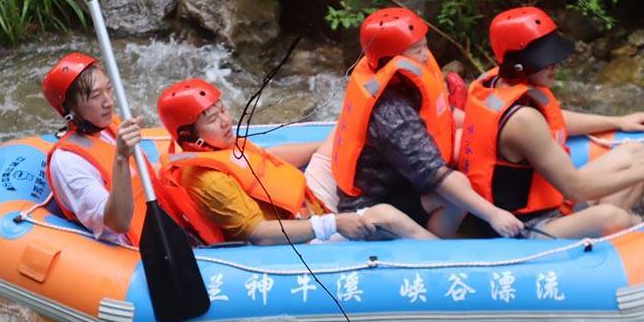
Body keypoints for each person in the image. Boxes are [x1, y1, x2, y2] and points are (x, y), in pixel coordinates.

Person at [457, 6, 644, 239]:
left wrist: (617, 121)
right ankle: (630, 226)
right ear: (519, 64)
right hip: (521, 226)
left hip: (550, 199)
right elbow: (577, 190)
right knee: (613, 217)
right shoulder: (523, 120)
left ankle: (603, 226)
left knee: (637, 153)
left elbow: (551, 119)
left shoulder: (498, 80)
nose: (557, 65)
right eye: (546, 60)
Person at [156, 78, 435, 246]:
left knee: (345, 131)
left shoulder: (217, 144)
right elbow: (258, 234)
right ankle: (447, 253)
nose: (226, 121)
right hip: (300, 235)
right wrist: (333, 224)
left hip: (307, 199)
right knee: (385, 214)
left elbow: (268, 158)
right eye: (212, 118)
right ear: (188, 134)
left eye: (223, 111)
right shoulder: (208, 180)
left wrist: (324, 146)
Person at [331, 7, 525, 239]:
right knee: (456, 188)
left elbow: (444, 117)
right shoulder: (392, 112)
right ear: (391, 58)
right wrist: (494, 215)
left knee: (467, 154)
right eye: (417, 49)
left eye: (425, 45)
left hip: (403, 183)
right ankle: (436, 245)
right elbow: (434, 174)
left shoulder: (401, 79)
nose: (425, 55)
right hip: (372, 203)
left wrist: (499, 126)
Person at [42, 52, 148, 246]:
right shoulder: (67, 162)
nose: (108, 102)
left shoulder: (109, 126)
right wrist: (121, 158)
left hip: (159, 223)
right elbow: (118, 222)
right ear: (70, 110)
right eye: (96, 96)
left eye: (108, 89)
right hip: (136, 251)